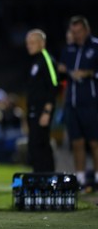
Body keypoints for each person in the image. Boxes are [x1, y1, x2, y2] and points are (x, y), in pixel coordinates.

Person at [58, 15, 98, 190]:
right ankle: (80, 180)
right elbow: (62, 74)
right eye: (74, 32)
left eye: (79, 31)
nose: (77, 35)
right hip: (72, 104)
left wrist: (89, 73)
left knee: (95, 142)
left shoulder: (96, 47)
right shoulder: (68, 50)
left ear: (87, 30)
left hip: (91, 103)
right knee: (77, 143)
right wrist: (64, 71)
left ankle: (97, 179)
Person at [25, 29, 58, 172]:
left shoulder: (47, 60)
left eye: (32, 42)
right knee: (35, 145)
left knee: (40, 145)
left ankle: (45, 177)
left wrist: (47, 111)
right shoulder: (36, 61)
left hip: (42, 111)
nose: (29, 46)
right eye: (28, 43)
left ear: (42, 43)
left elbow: (54, 85)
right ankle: (40, 177)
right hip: (34, 110)